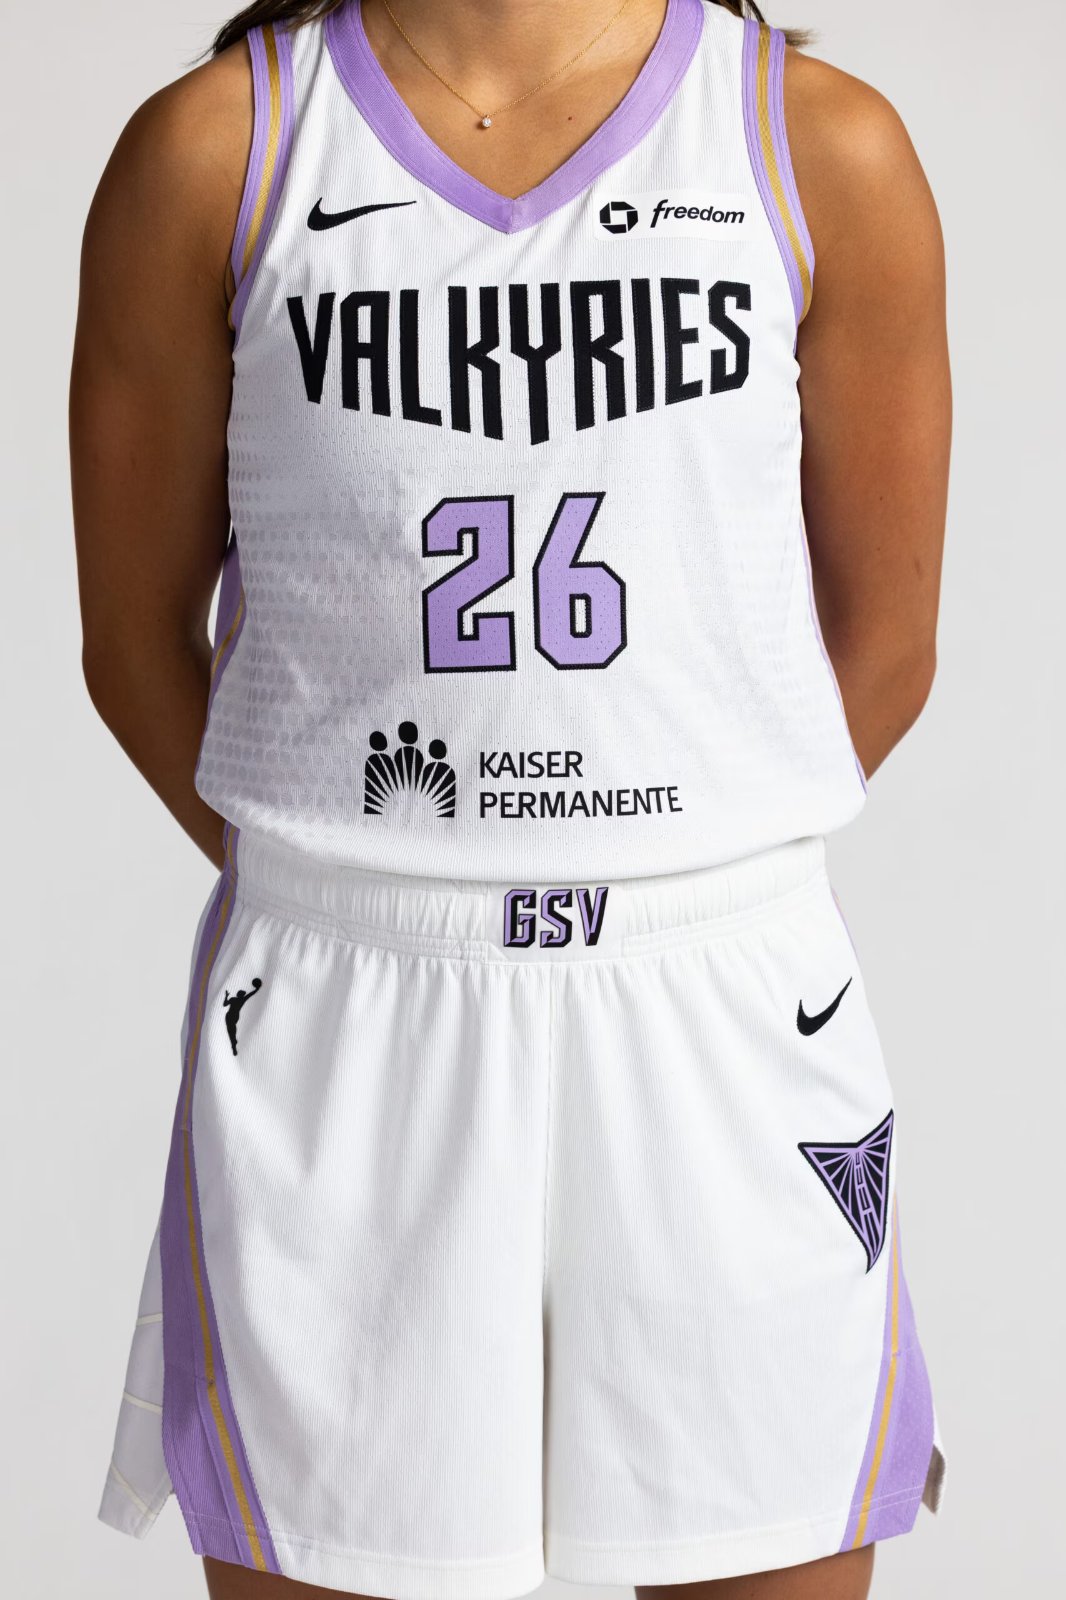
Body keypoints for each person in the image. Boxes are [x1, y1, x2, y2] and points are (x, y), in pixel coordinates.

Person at [72, 2, 950, 1597]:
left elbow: (883, 646)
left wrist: (667, 834)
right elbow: (132, 646)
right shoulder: (217, 150)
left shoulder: (813, 142)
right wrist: (370, 865)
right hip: (351, 1005)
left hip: (717, 1001)